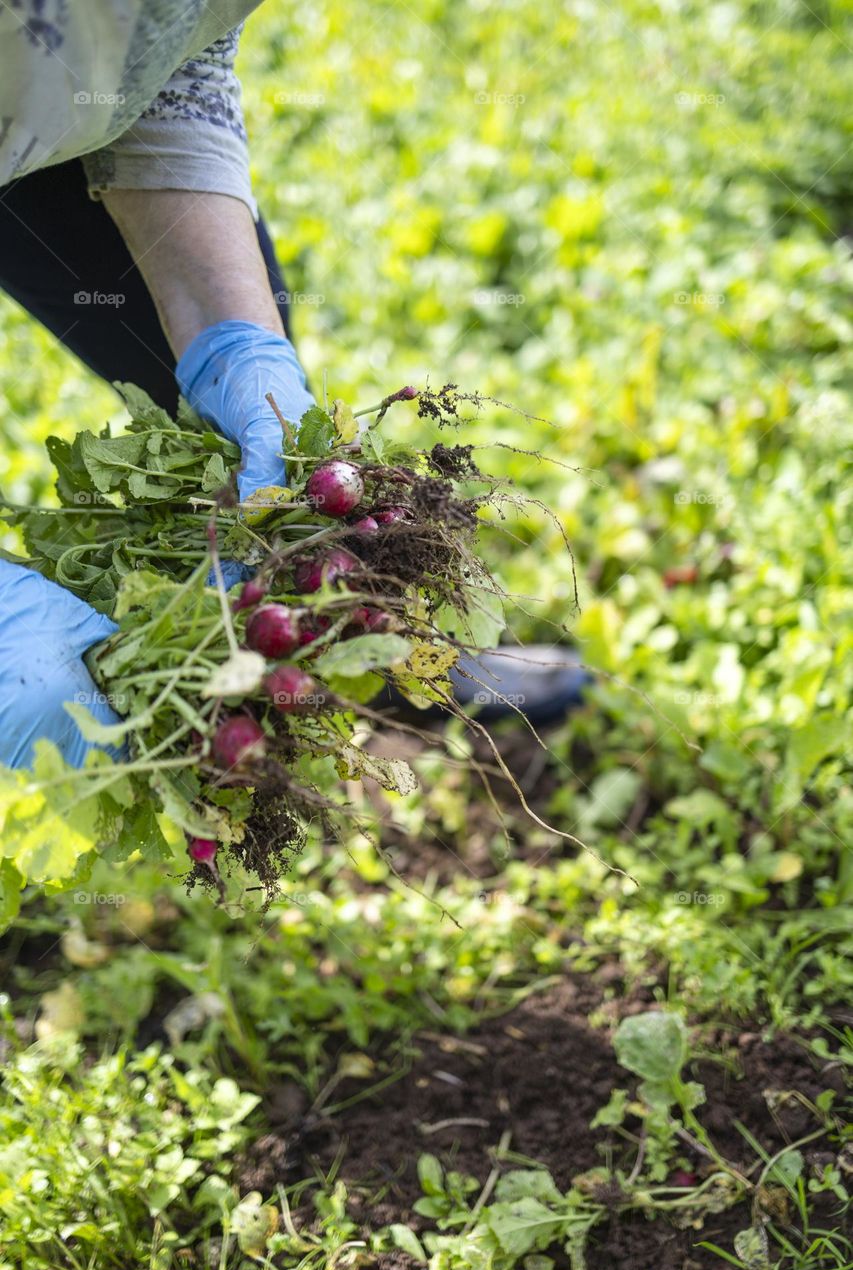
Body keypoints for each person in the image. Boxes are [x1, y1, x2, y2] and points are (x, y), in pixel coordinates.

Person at [0, 1, 586, 772]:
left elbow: (172, 63)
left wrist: (232, 337)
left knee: (247, 437)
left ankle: (354, 644)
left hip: (39, 105)